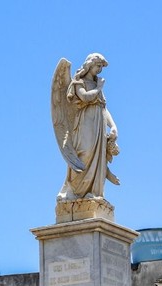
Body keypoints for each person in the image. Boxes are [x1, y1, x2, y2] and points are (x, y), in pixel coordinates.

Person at [57, 53, 120, 201]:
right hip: (85, 123)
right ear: (90, 65)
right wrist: (98, 88)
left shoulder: (98, 84)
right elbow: (85, 97)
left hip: (98, 122)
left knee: (98, 156)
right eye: (98, 66)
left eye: (101, 67)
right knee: (84, 153)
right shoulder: (79, 82)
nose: (99, 70)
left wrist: (113, 126)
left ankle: (94, 192)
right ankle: (74, 190)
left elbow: (103, 107)